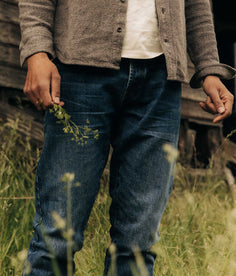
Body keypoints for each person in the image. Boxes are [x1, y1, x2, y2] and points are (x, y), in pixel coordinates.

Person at [18, 0, 236, 275]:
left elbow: (196, 3)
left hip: (160, 82)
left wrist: (209, 67)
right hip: (79, 72)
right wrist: (37, 52)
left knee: (138, 244)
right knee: (58, 236)